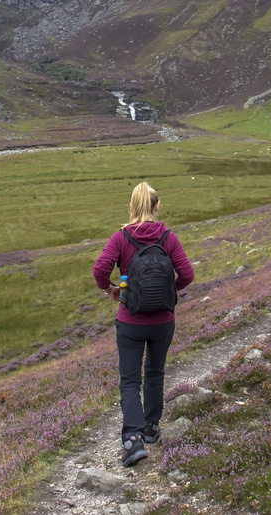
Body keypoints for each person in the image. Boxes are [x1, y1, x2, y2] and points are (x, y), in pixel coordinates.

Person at [93, 181, 194, 467]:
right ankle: (151, 427)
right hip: (164, 321)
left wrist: (111, 290)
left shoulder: (121, 237)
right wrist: (169, 292)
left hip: (130, 321)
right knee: (155, 372)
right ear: (157, 206)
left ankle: (133, 440)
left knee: (129, 380)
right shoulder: (169, 238)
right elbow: (187, 274)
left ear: (133, 206)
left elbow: (100, 270)